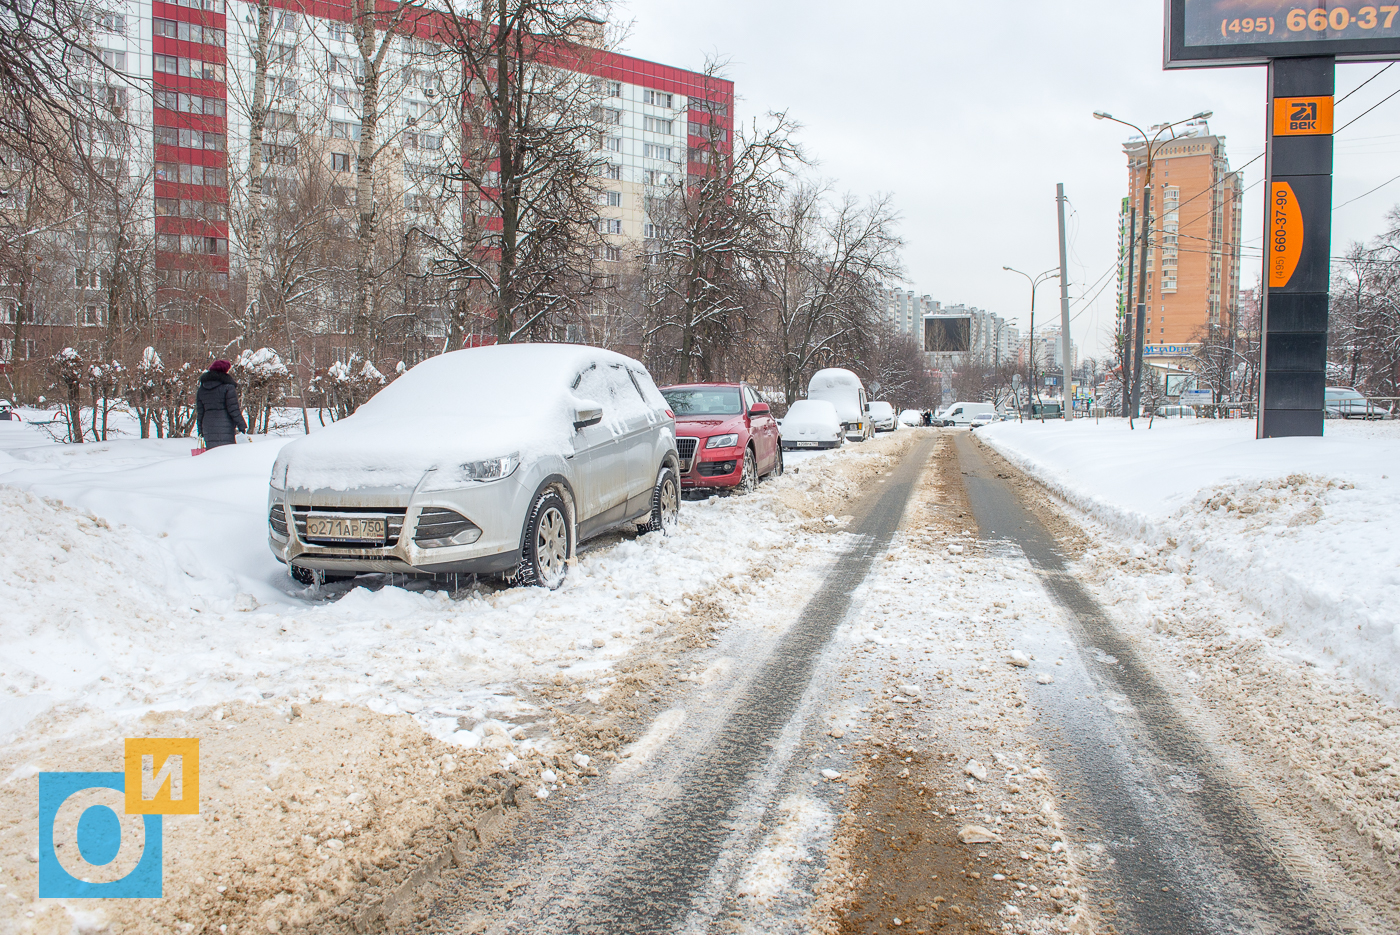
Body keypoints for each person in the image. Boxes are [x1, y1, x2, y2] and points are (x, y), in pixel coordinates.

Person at [195, 360, 248, 449]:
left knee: (212, 453)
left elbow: (200, 412)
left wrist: (200, 429)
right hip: (225, 426)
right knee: (226, 452)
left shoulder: (202, 389)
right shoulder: (228, 387)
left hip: (207, 426)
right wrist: (241, 425)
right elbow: (233, 409)